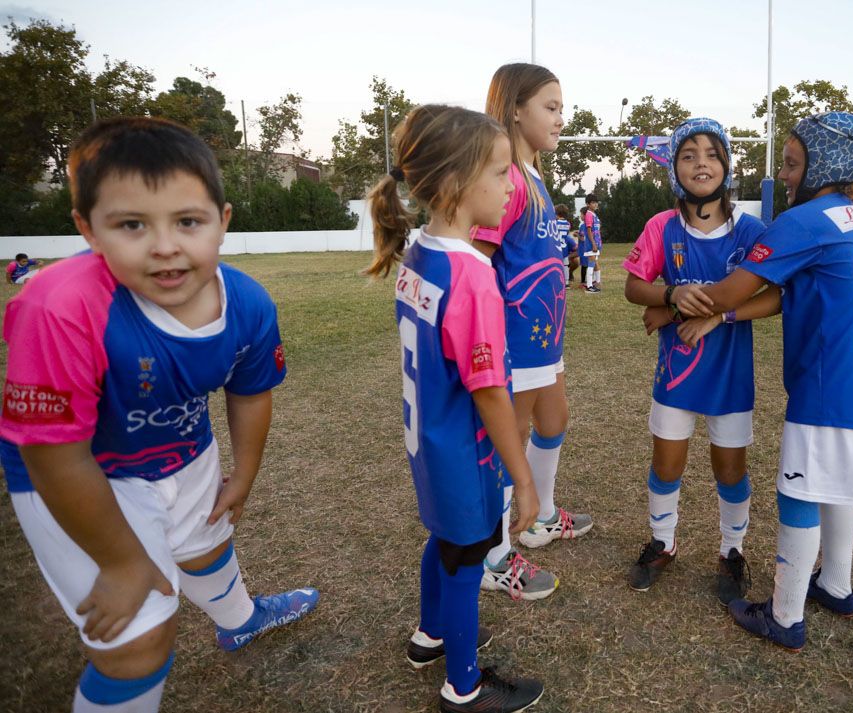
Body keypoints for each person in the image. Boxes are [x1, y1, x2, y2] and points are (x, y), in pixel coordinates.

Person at [0, 117, 319, 713]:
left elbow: (249, 391)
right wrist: (123, 561)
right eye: (131, 225)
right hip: (77, 476)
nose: (165, 245)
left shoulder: (247, 301)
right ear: (87, 229)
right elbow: (51, 450)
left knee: (204, 542)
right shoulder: (58, 306)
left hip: (183, 447)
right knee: (138, 644)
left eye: (188, 221)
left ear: (223, 221)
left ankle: (241, 620)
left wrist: (243, 473)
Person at [669, 111, 853, 651]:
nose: (786, 177)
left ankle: (785, 615)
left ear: (823, 164)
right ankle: (836, 584)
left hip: (825, 388)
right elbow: (786, 295)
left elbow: (726, 292)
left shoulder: (806, 220)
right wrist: (722, 316)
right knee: (834, 489)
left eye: (792, 165)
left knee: (797, 494)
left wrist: (671, 302)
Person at [366, 104, 544, 713]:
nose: (510, 184)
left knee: (444, 540)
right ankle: (462, 687)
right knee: (467, 558)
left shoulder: (420, 250)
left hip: (428, 443)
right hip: (461, 453)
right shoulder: (473, 275)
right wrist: (523, 478)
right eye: (498, 172)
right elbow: (490, 390)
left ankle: (430, 636)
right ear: (453, 186)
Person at [622, 117, 779, 605]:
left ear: (728, 164)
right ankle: (662, 542)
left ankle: (732, 552)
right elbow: (633, 287)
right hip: (676, 374)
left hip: (730, 376)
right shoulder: (660, 227)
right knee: (666, 464)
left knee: (730, 470)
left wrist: (718, 315)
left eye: (712, 154)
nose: (701, 164)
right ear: (674, 168)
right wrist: (670, 296)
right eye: (688, 155)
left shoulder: (752, 230)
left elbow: (776, 295)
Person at [473, 62, 593, 601]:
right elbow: (475, 263)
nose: (560, 118)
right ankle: (495, 555)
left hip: (547, 339)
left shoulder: (537, 176)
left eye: (562, 107)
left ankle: (541, 516)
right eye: (551, 106)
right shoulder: (505, 181)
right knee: (509, 444)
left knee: (555, 418)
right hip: (514, 343)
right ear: (515, 109)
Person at [582, 194, 603, 291]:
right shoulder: (589, 214)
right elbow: (589, 230)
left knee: (594, 263)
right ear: (588, 204)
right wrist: (593, 243)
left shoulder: (594, 215)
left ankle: (595, 283)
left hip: (596, 243)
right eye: (593, 203)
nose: (595, 204)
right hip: (591, 244)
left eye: (596, 202)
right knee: (591, 264)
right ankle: (589, 286)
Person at [554, 204, 573, 286]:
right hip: (564, 247)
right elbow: (567, 234)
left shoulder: (555, 223)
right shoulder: (568, 224)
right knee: (565, 265)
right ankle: (567, 282)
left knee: (555, 265)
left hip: (556, 247)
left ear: (557, 213)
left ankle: (556, 281)